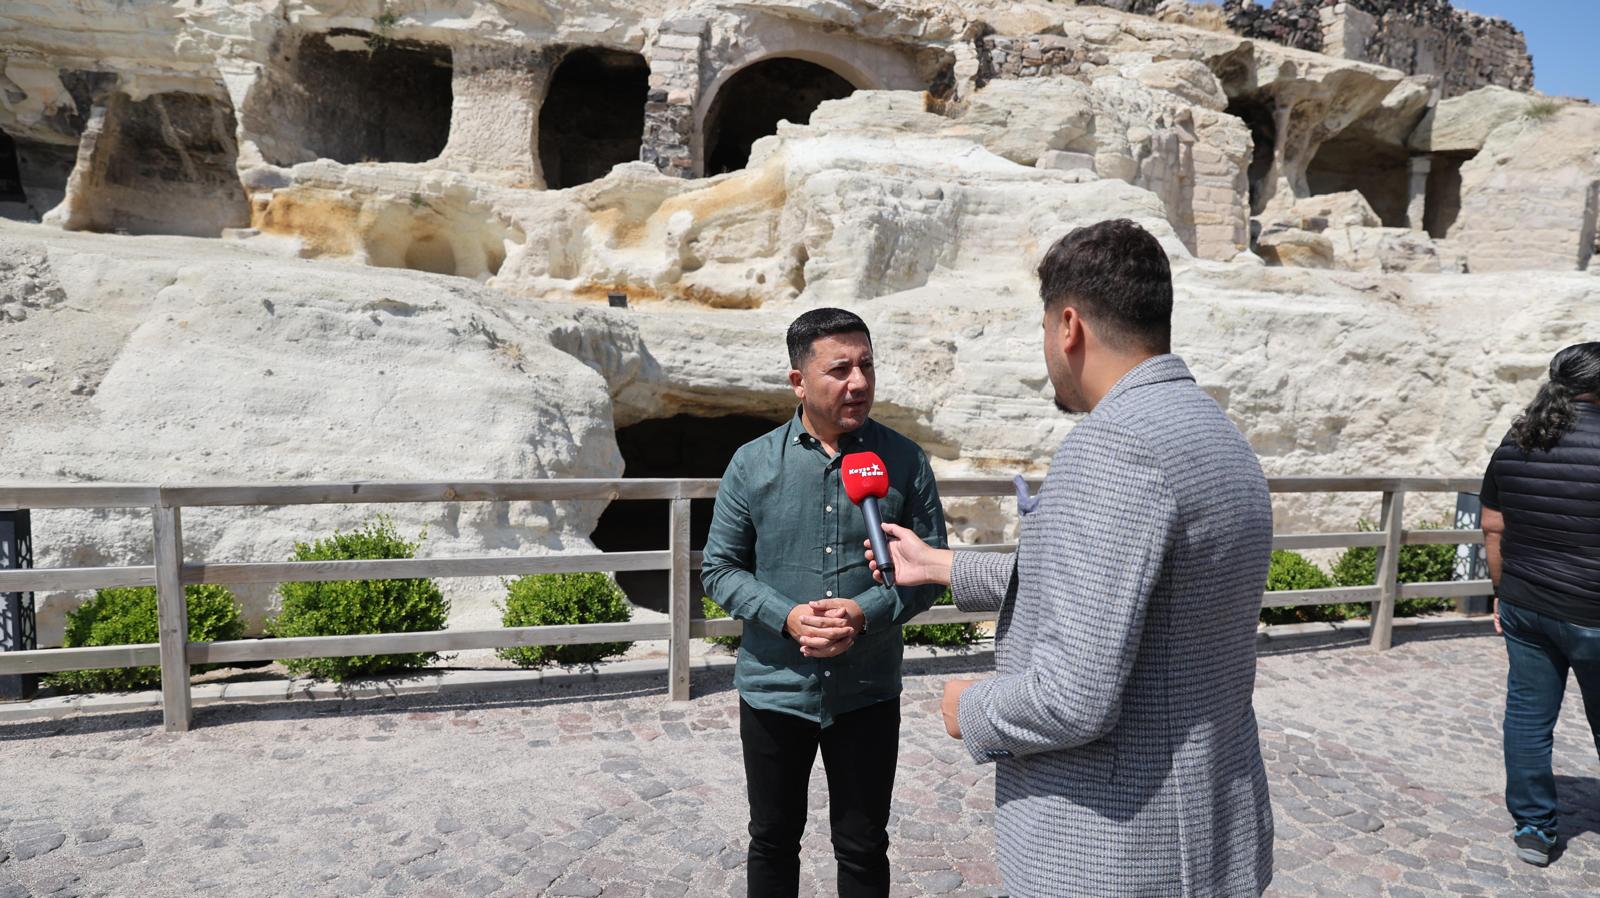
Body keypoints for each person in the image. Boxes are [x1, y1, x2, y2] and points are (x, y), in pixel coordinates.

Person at [867, 219, 1274, 897]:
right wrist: (942, 566)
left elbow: (1072, 699)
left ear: (1068, 326)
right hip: (1212, 833)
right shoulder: (1216, 433)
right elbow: (1126, 588)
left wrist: (972, 708)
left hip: (1117, 850)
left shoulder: (1113, 447)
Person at [700, 307, 948, 898]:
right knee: (772, 839)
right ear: (798, 381)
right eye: (839, 369)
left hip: (867, 690)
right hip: (774, 688)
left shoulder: (905, 460)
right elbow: (719, 569)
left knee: (864, 845)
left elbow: (932, 571)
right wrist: (786, 617)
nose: (858, 382)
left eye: (866, 366)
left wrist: (865, 613)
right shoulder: (751, 462)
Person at [1481, 341, 1600, 868]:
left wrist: (1501, 592)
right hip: (1592, 611)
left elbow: (1493, 526)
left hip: (1525, 603)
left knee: (1528, 717)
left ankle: (1533, 827)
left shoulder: (1518, 439)